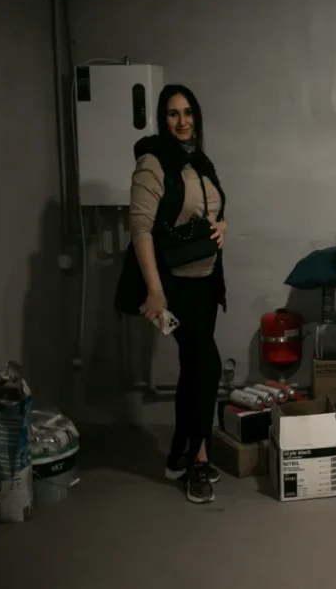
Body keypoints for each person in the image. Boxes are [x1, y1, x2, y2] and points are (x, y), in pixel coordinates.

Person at [114, 84, 228, 505]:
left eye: (188, 113)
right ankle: (190, 457)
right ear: (162, 120)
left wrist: (224, 226)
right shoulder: (152, 162)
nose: (182, 122)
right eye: (173, 114)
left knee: (194, 369)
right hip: (174, 284)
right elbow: (141, 230)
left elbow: (212, 210)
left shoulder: (199, 159)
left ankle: (188, 459)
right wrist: (155, 293)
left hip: (206, 280)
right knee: (207, 365)